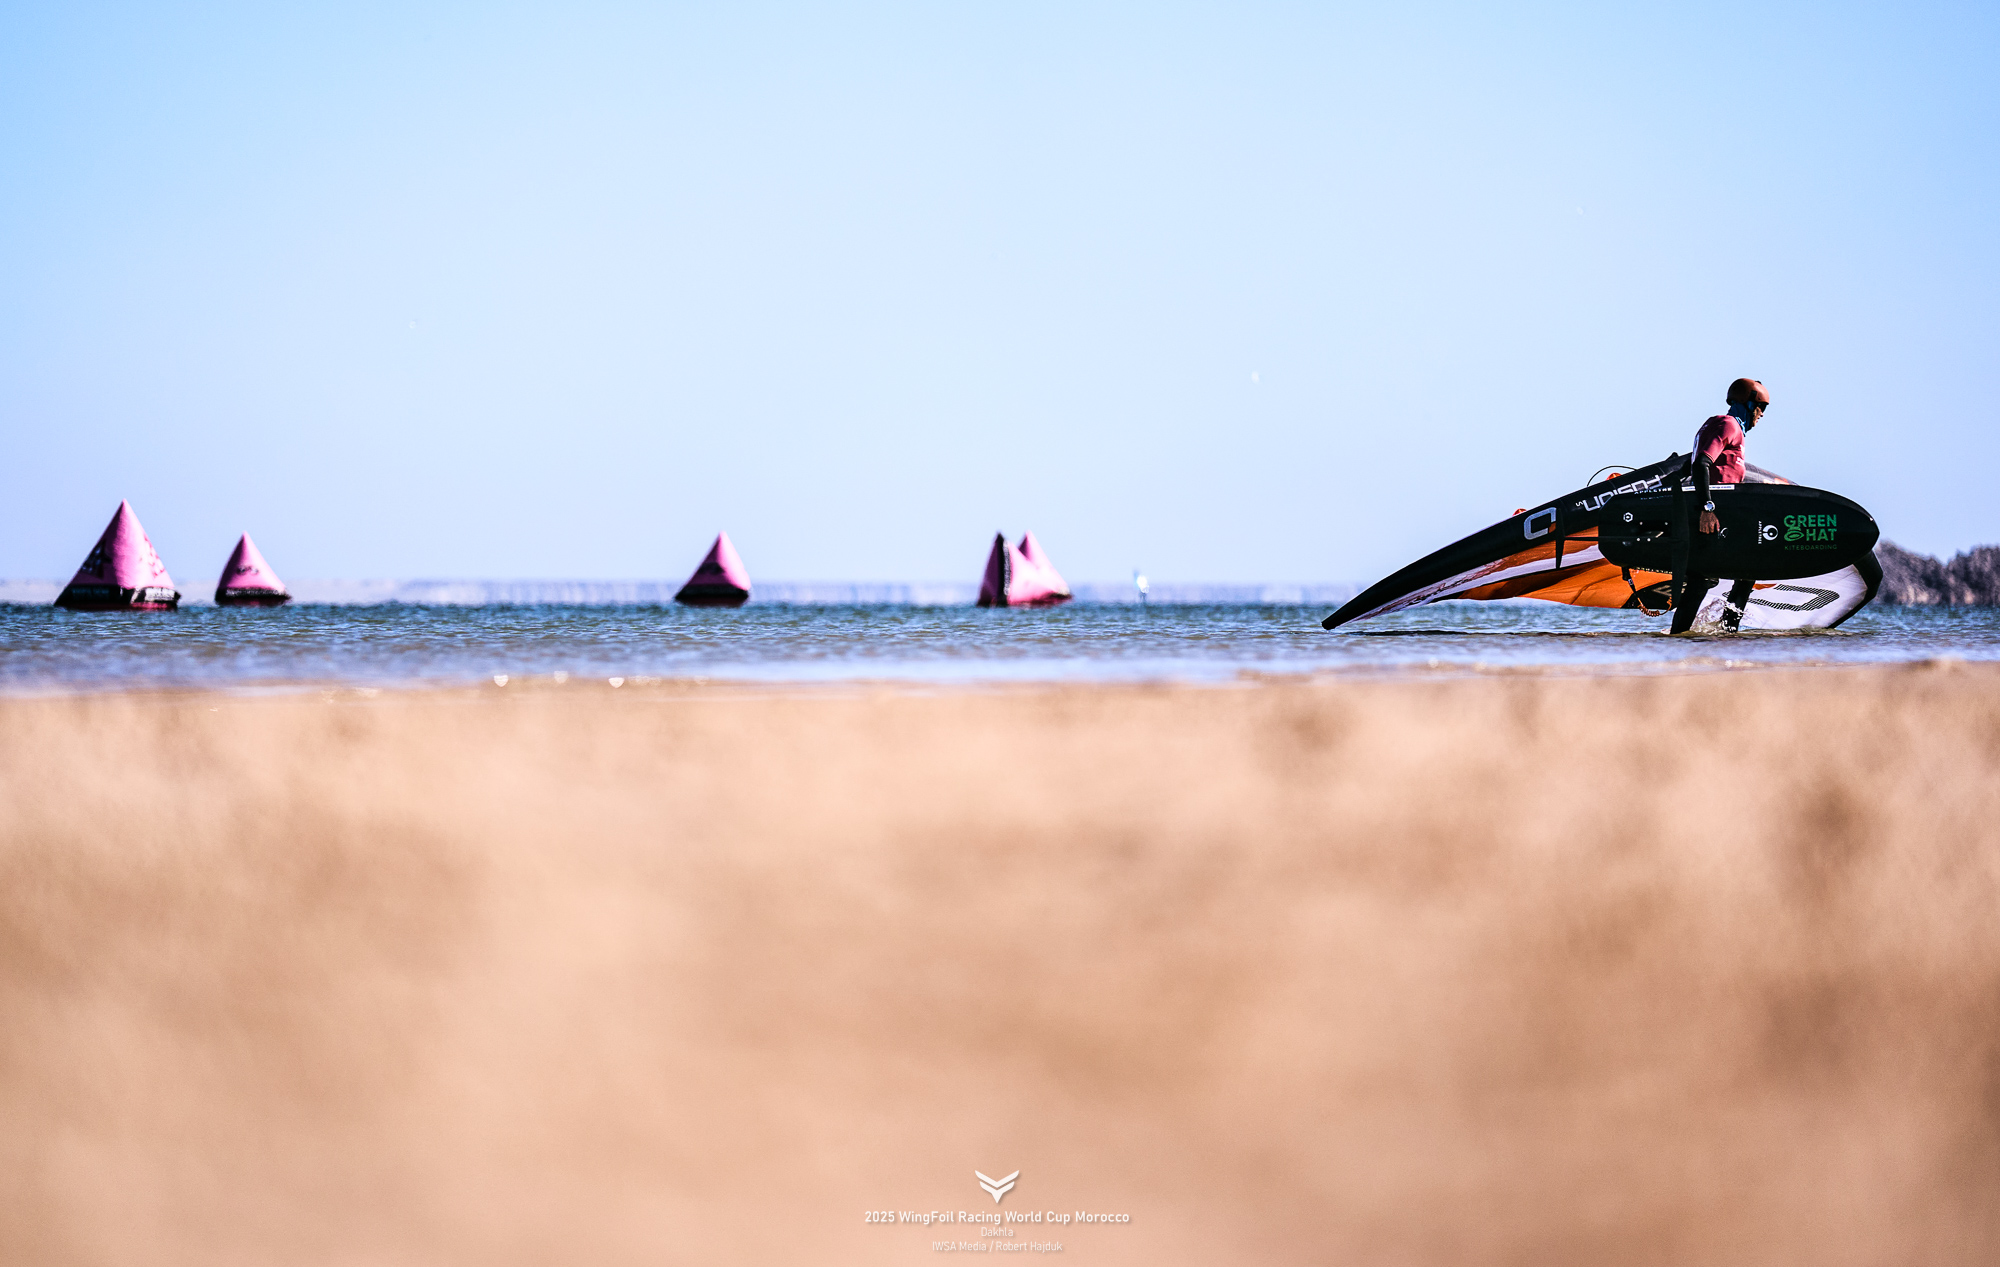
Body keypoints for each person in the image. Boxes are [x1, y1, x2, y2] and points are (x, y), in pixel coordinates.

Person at [1671, 378, 1770, 632]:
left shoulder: (1727, 427)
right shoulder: (1728, 425)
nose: (1761, 414)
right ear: (1748, 404)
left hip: (1713, 513)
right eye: (1761, 407)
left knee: (1703, 579)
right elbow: (1701, 464)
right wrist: (1707, 508)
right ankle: (1726, 631)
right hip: (1709, 514)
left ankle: (1682, 635)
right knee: (1743, 571)